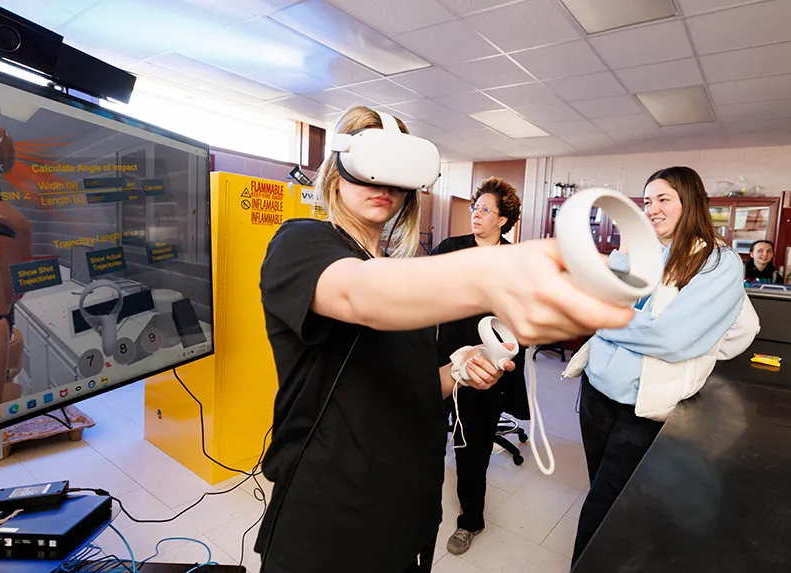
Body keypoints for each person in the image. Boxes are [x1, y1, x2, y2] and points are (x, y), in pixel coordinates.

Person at [254, 105, 635, 573]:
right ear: (336, 172)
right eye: (370, 169)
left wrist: (457, 370)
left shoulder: (404, 269)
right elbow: (360, 293)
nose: (383, 185)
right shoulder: (301, 244)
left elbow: (412, 386)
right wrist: (498, 274)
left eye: (397, 174)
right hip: (333, 513)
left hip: (408, 508)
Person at [565, 166, 753, 566]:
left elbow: (670, 337)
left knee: (605, 505)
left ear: (691, 202)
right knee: (604, 489)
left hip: (641, 409)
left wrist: (605, 321)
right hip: (596, 392)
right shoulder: (646, 251)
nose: (651, 209)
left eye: (663, 198)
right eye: (647, 200)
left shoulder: (719, 262)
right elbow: (603, 297)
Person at [431, 177, 529, 555]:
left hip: (486, 372)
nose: (476, 214)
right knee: (428, 441)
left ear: (503, 221)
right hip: (443, 366)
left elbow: (523, 322)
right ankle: (417, 505)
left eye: (486, 210)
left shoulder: (515, 261)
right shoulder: (451, 249)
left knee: (471, 451)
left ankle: (470, 521)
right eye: (475, 208)